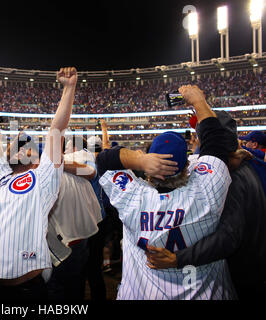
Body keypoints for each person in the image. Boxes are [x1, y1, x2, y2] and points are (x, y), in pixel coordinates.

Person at [97, 84, 236, 300]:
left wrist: (140, 160)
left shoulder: (132, 196)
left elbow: (105, 160)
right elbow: (216, 143)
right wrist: (198, 101)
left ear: (152, 168)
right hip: (204, 293)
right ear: (187, 165)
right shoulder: (206, 191)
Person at [0, 67, 77, 301]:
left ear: (38, 160)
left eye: (28, 147)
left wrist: (69, 88)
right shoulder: (1, 177)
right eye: (17, 145)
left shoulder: (43, 178)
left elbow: (56, 130)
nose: (21, 148)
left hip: (24, 291)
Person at [144, 113, 266, 300]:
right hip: (252, 263)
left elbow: (228, 237)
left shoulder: (231, 177)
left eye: (200, 136)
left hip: (241, 274)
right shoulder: (244, 165)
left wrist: (178, 259)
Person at [46, 136, 102, 300]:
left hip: (77, 233)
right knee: (73, 281)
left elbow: (90, 172)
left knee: (74, 280)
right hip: (71, 231)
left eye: (68, 148)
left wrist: (57, 161)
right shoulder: (63, 166)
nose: (65, 151)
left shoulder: (83, 158)